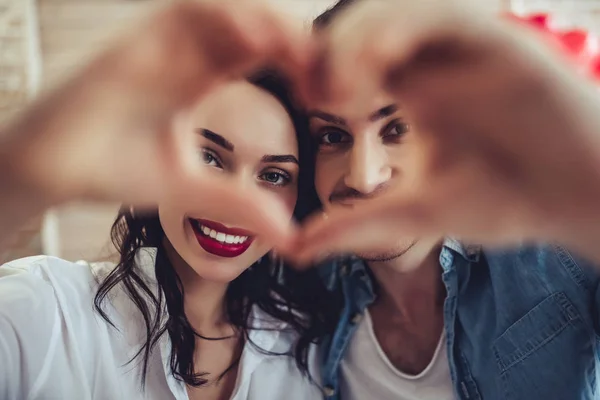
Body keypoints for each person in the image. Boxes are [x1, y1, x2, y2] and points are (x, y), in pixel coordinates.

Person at [0, 3, 331, 398]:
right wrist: (19, 175)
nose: (234, 203)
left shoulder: (305, 351)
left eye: (274, 176)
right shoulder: (49, 311)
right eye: (209, 156)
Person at [288, 0, 600, 399]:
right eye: (332, 136)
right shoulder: (302, 289)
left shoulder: (556, 254)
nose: (364, 178)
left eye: (397, 128)